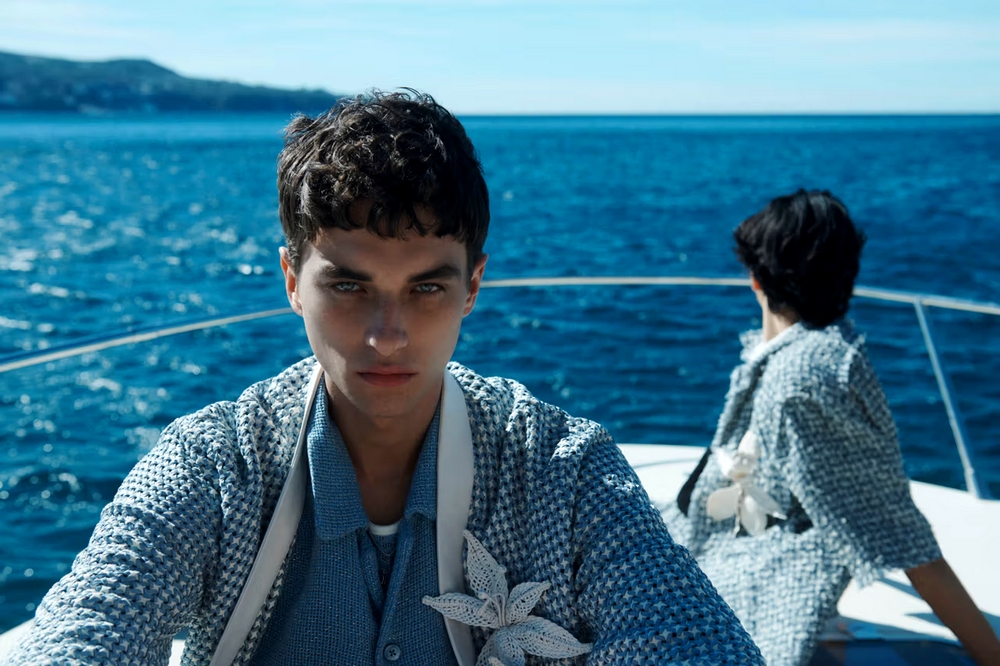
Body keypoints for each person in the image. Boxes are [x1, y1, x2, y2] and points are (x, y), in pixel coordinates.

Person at [5, 91, 763, 665]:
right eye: (349, 286)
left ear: (473, 288)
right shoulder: (214, 471)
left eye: (427, 288)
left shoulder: (561, 472)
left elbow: (691, 637)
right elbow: (89, 626)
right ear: (291, 281)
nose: (386, 335)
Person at [662, 189, 1000, 666]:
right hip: (730, 532)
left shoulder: (803, 383)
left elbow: (899, 533)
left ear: (756, 281)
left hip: (756, 568)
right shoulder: (794, 358)